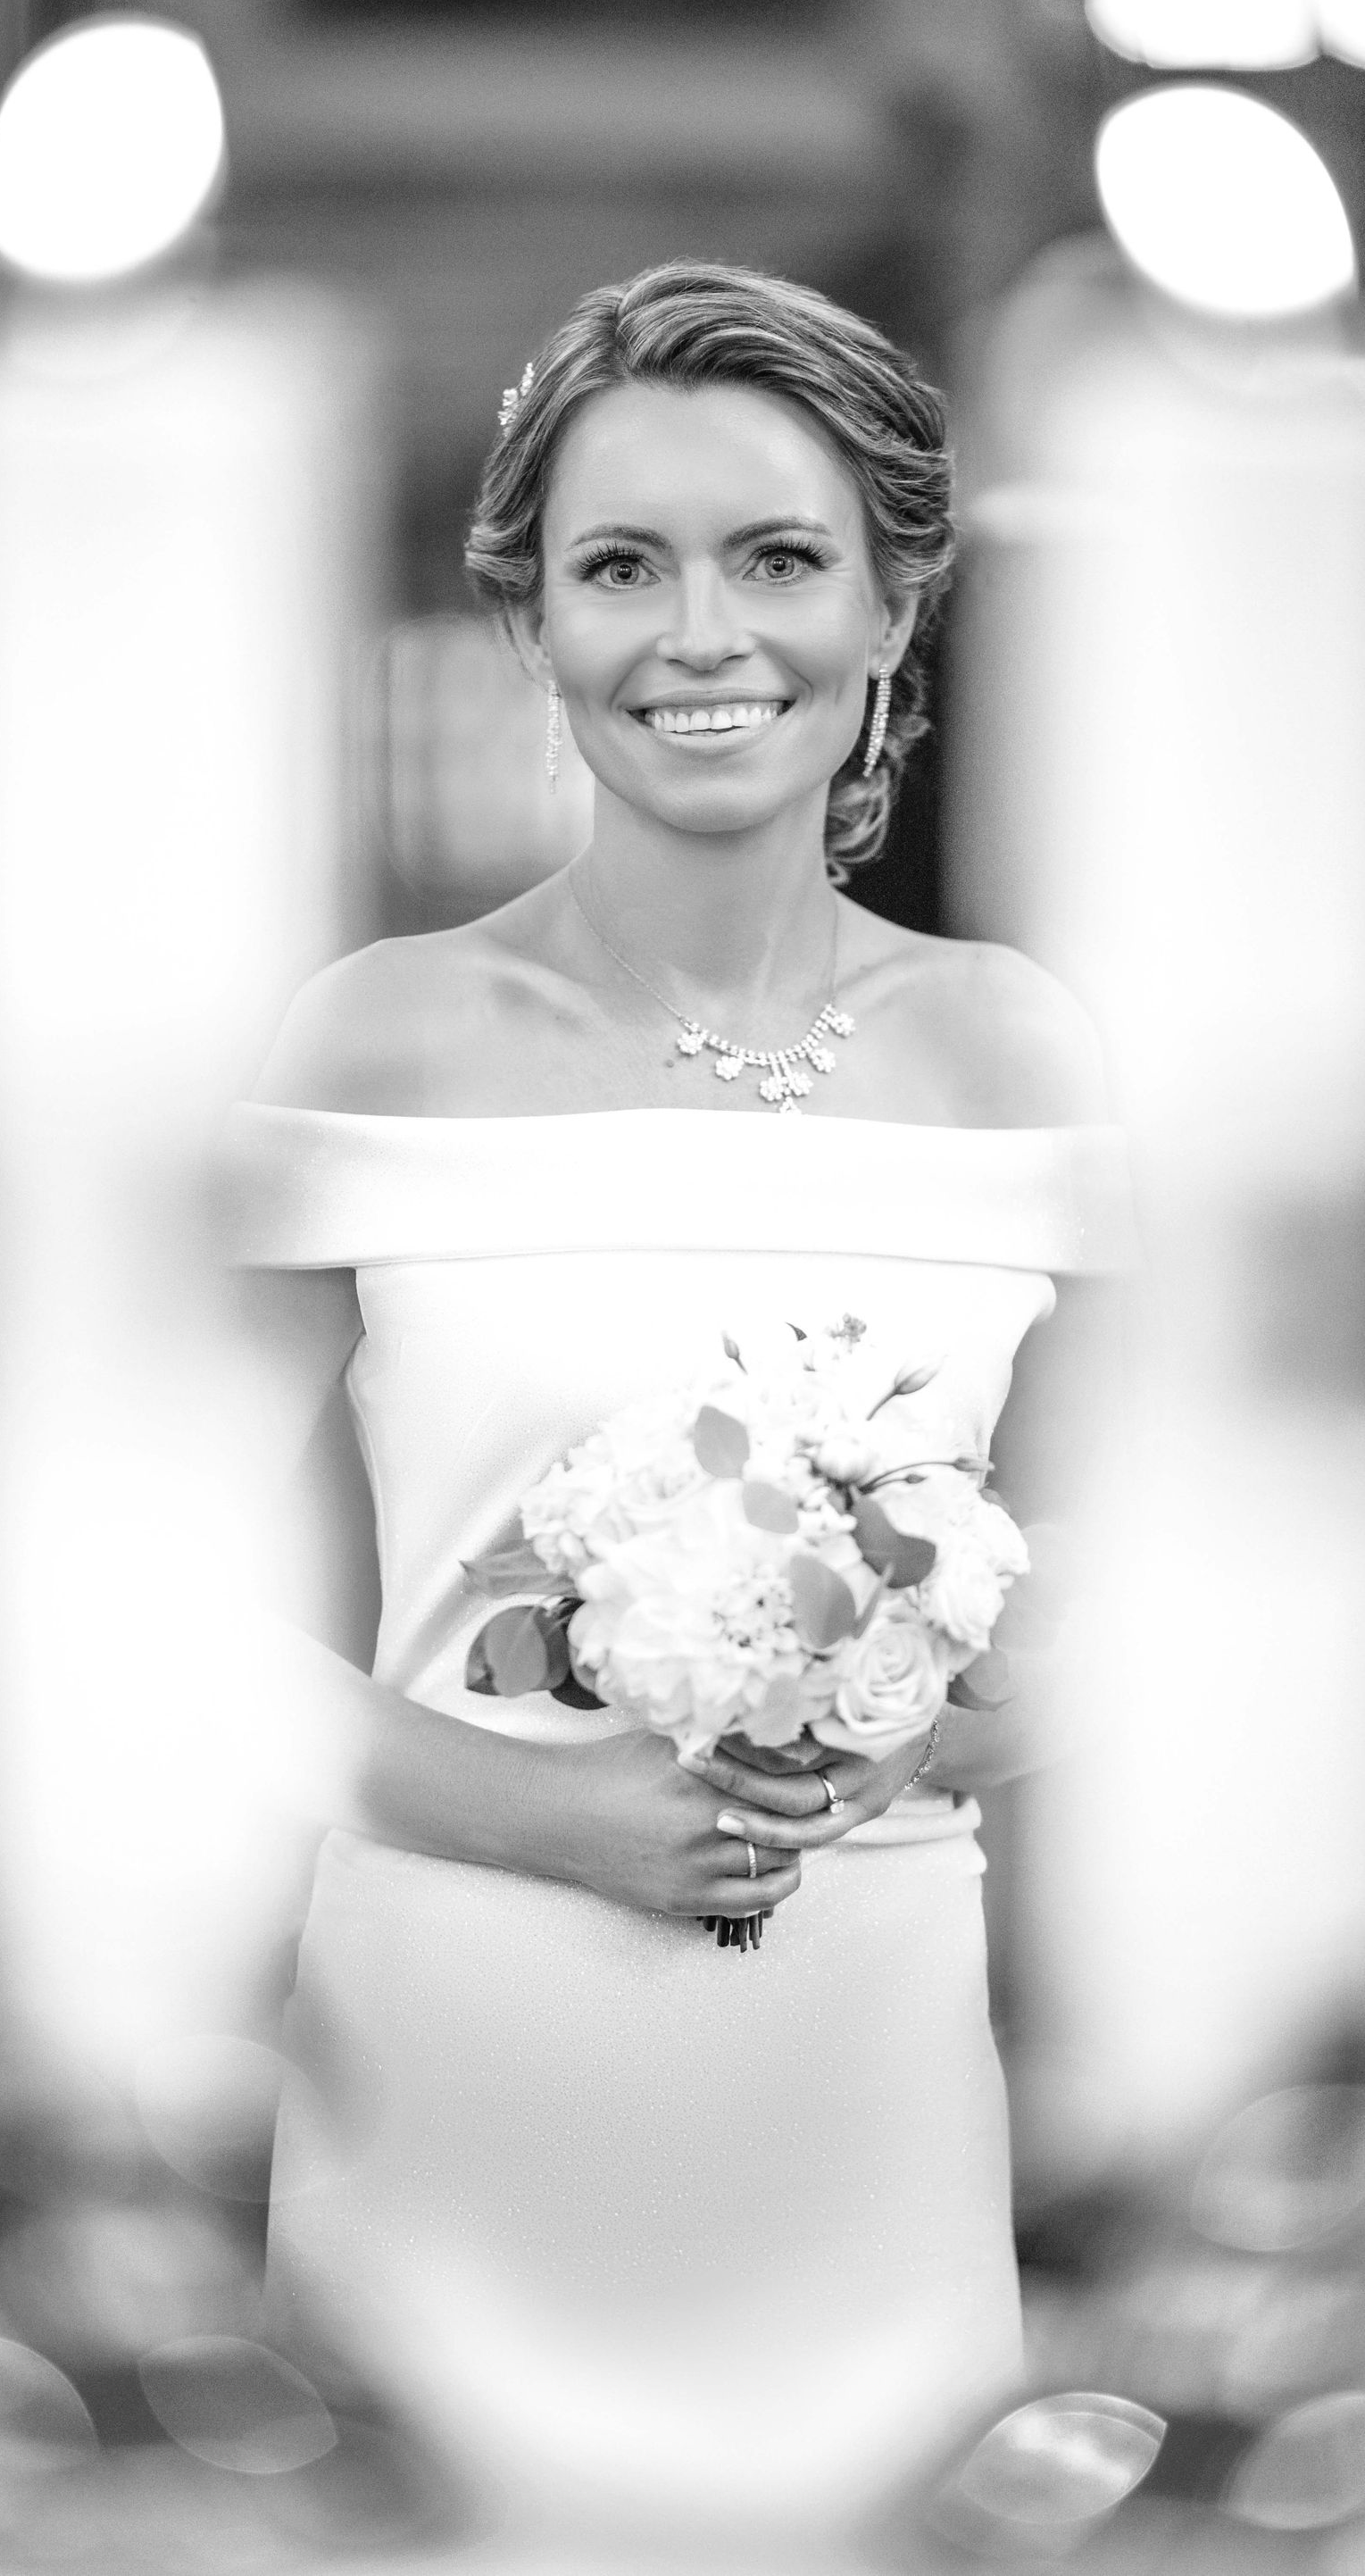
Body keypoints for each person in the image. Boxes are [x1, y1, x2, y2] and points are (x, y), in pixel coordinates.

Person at [226, 259, 1128, 2548]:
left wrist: (912, 1713)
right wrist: (530, 1811)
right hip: (451, 2033)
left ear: (897, 606)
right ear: (534, 618)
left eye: (779, 558)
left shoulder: (1027, 1056)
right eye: (623, 566)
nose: (700, 634)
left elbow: (1155, 1608)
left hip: (869, 2058)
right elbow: (126, 1620)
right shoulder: (371, 1044)